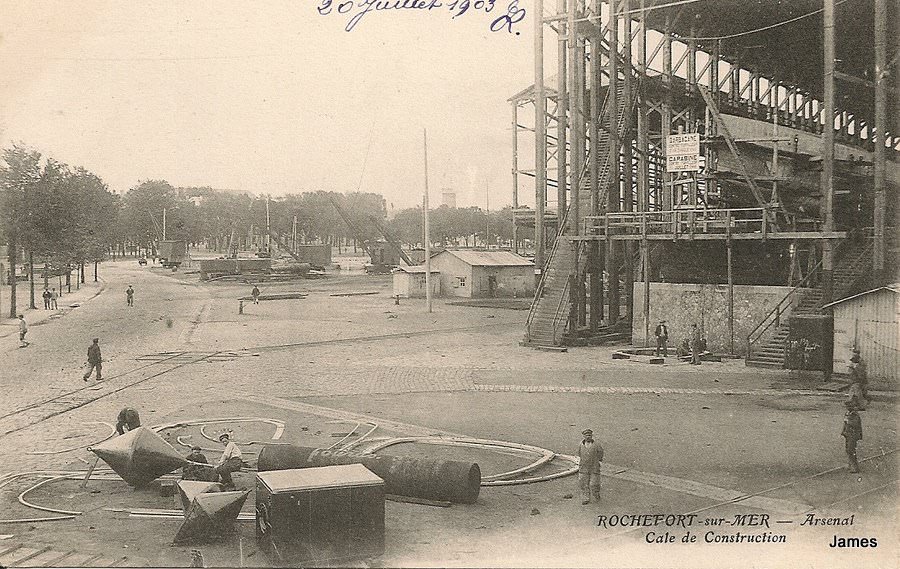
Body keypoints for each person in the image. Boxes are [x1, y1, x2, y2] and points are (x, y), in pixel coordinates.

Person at [576, 429, 603, 505]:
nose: (588, 437)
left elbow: (600, 453)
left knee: (594, 483)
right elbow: (579, 453)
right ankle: (585, 498)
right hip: (583, 467)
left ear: (592, 436)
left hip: (594, 467)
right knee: (583, 483)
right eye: (586, 436)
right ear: (583, 436)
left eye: (589, 435)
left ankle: (596, 494)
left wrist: (597, 461)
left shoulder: (597, 445)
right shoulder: (581, 444)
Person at [841, 401, 863, 473]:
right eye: (847, 406)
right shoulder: (848, 413)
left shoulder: (855, 414)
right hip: (848, 434)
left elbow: (855, 424)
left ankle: (855, 467)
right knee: (848, 449)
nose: (847, 407)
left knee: (851, 450)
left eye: (849, 406)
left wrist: (848, 421)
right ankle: (850, 465)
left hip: (853, 434)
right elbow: (845, 424)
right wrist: (843, 432)